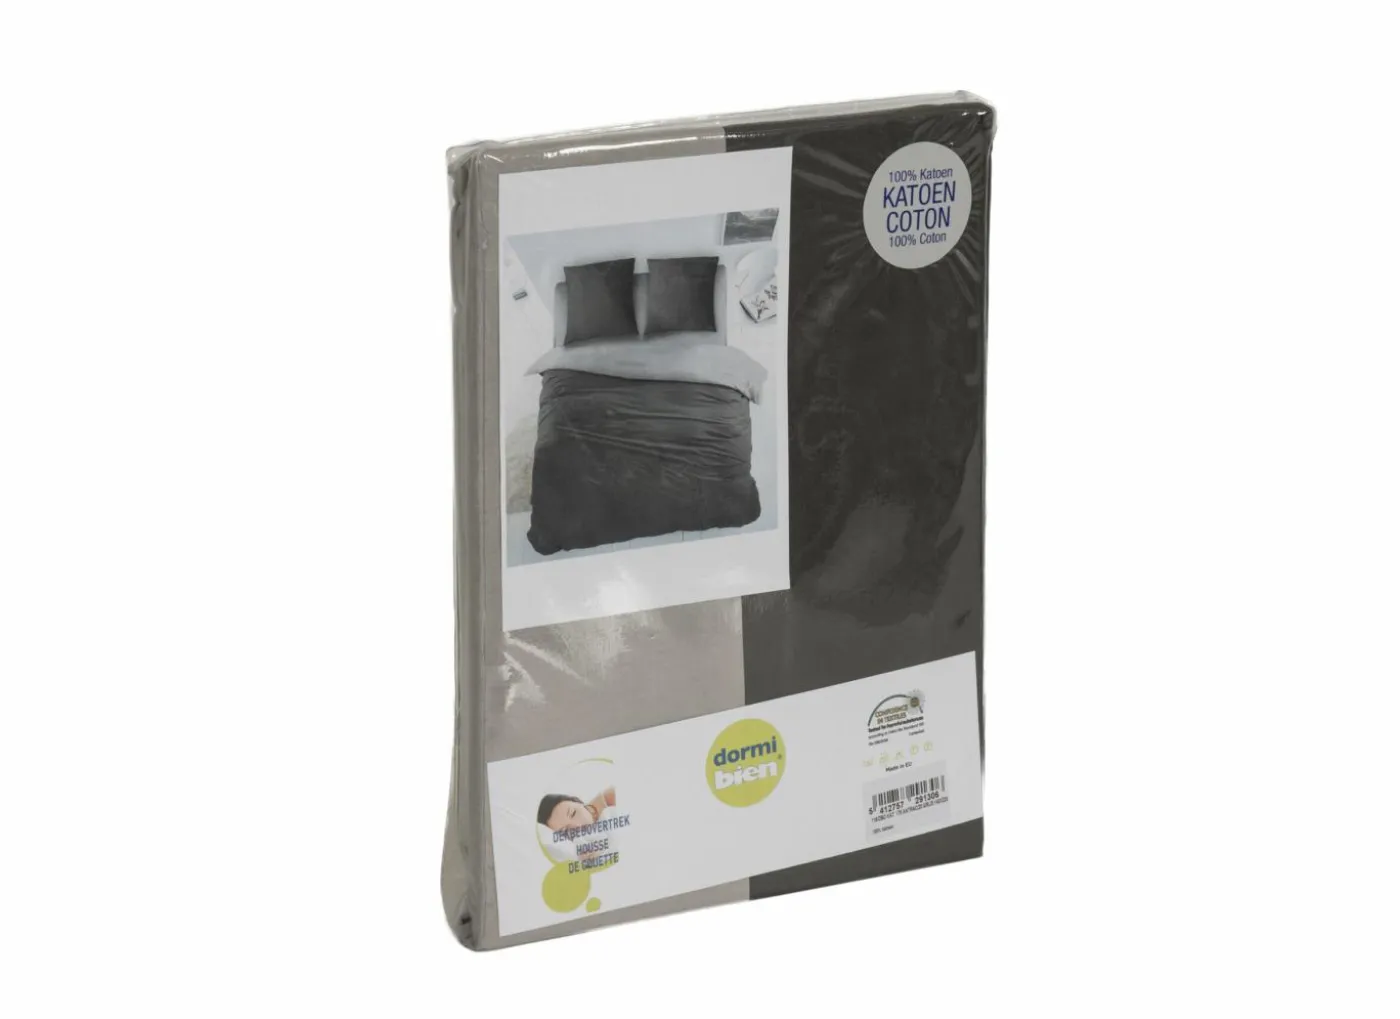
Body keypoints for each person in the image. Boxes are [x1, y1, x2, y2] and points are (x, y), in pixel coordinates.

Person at [537, 786, 616, 834]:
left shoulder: (609, 797)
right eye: (565, 830)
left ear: (578, 802)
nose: (577, 827)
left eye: (573, 813)